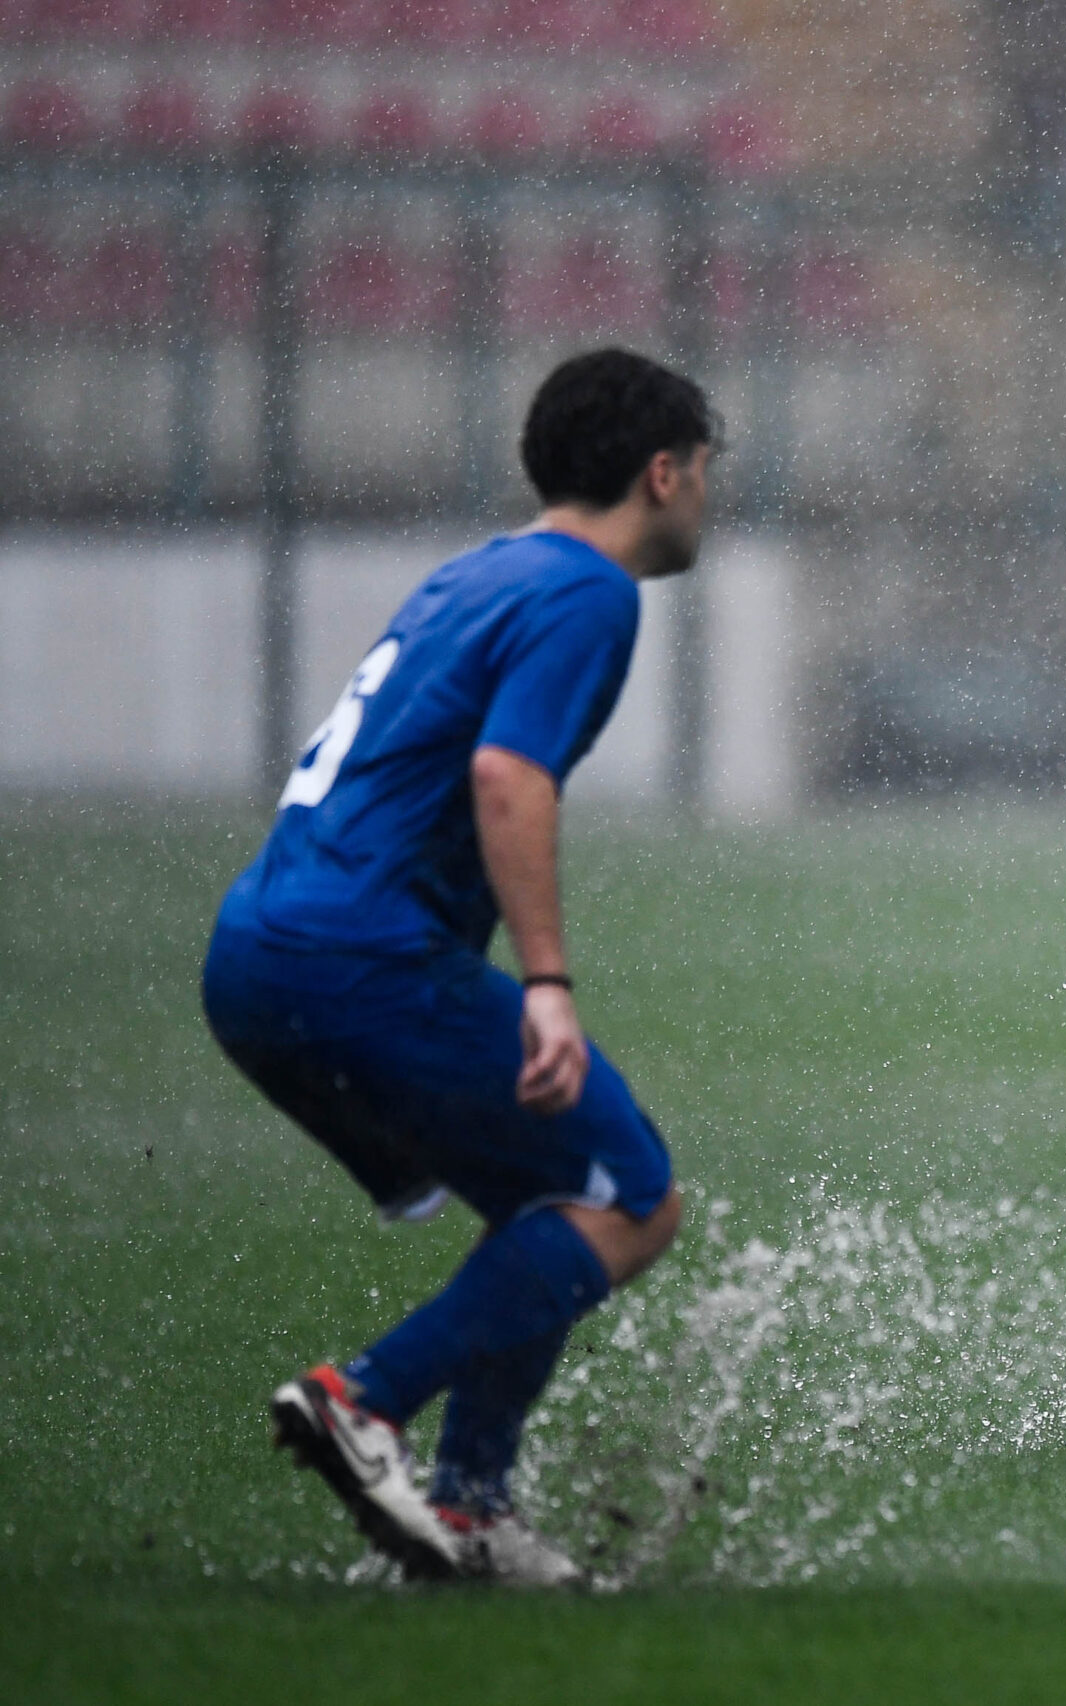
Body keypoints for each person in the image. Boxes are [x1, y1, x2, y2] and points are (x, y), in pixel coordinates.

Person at [201, 349, 718, 1583]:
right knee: (631, 1198)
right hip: (356, 958)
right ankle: (362, 1401)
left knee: (545, 1205)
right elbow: (506, 775)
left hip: (260, 953)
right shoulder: (591, 591)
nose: (706, 496)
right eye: (701, 473)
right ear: (661, 472)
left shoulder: (477, 570)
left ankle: (471, 1507)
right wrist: (548, 985)